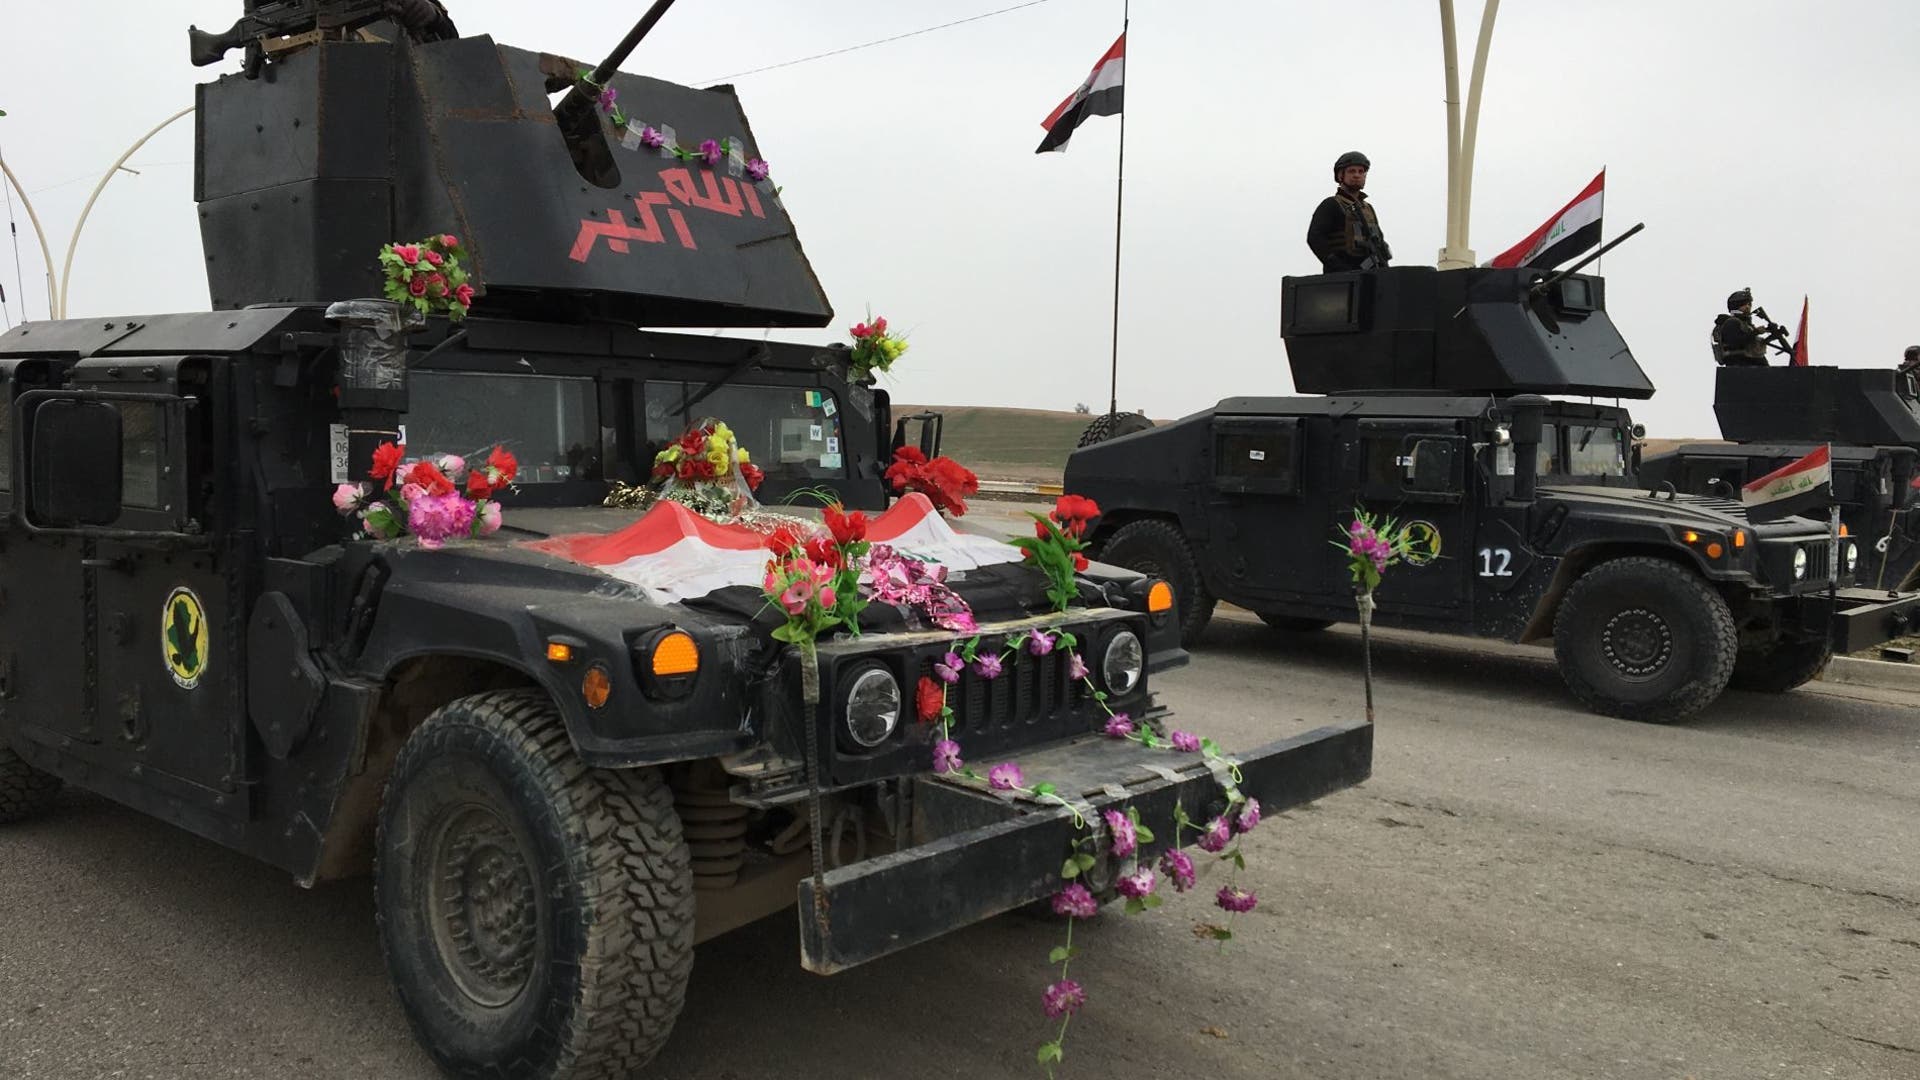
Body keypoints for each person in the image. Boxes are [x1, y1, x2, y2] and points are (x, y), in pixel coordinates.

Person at [1307, 152, 1391, 273]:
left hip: (1370, 273)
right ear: (1341, 175)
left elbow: (1379, 240)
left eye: (1361, 171)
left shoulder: (1367, 209)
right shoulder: (1331, 205)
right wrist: (1335, 264)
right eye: (1352, 171)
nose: (1357, 175)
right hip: (1342, 277)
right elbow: (1315, 238)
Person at [1710, 289, 1778, 367]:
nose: (1748, 307)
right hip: (1740, 365)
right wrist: (1755, 332)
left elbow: (1753, 344)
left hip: (1751, 365)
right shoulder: (1731, 323)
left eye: (1749, 304)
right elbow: (1735, 343)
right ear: (1736, 306)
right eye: (1743, 304)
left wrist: (1771, 335)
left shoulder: (1745, 325)